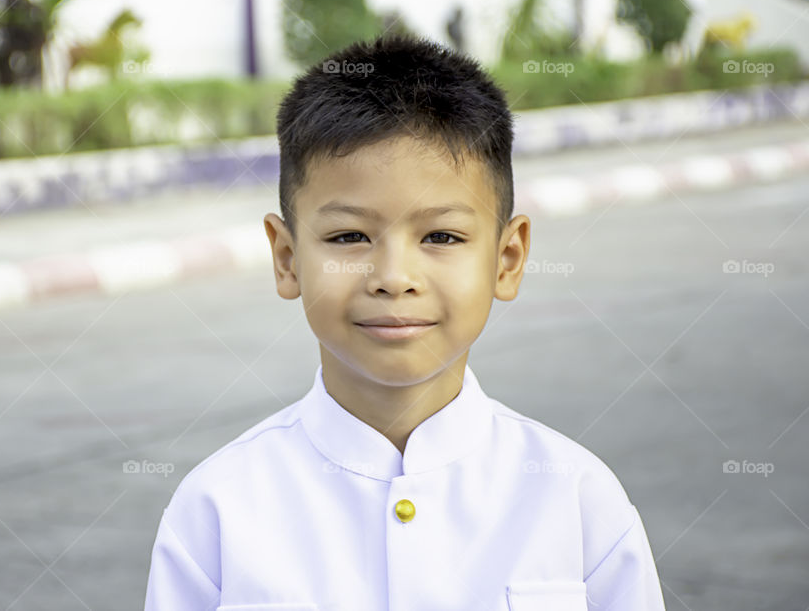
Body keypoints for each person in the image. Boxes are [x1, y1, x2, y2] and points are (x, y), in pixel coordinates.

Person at [143, 34, 666, 611]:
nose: (394, 277)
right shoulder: (217, 509)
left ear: (507, 259)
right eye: (349, 237)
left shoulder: (576, 498)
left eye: (441, 236)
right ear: (287, 258)